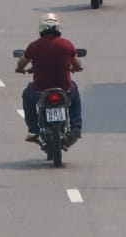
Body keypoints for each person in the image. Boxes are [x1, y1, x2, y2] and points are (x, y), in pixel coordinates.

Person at [15, 13, 84, 142]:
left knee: (27, 96)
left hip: (39, 90)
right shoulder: (67, 45)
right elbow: (78, 64)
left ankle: (34, 130)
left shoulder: (34, 46)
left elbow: (21, 62)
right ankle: (76, 128)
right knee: (75, 94)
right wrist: (75, 68)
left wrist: (20, 70)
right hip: (65, 89)